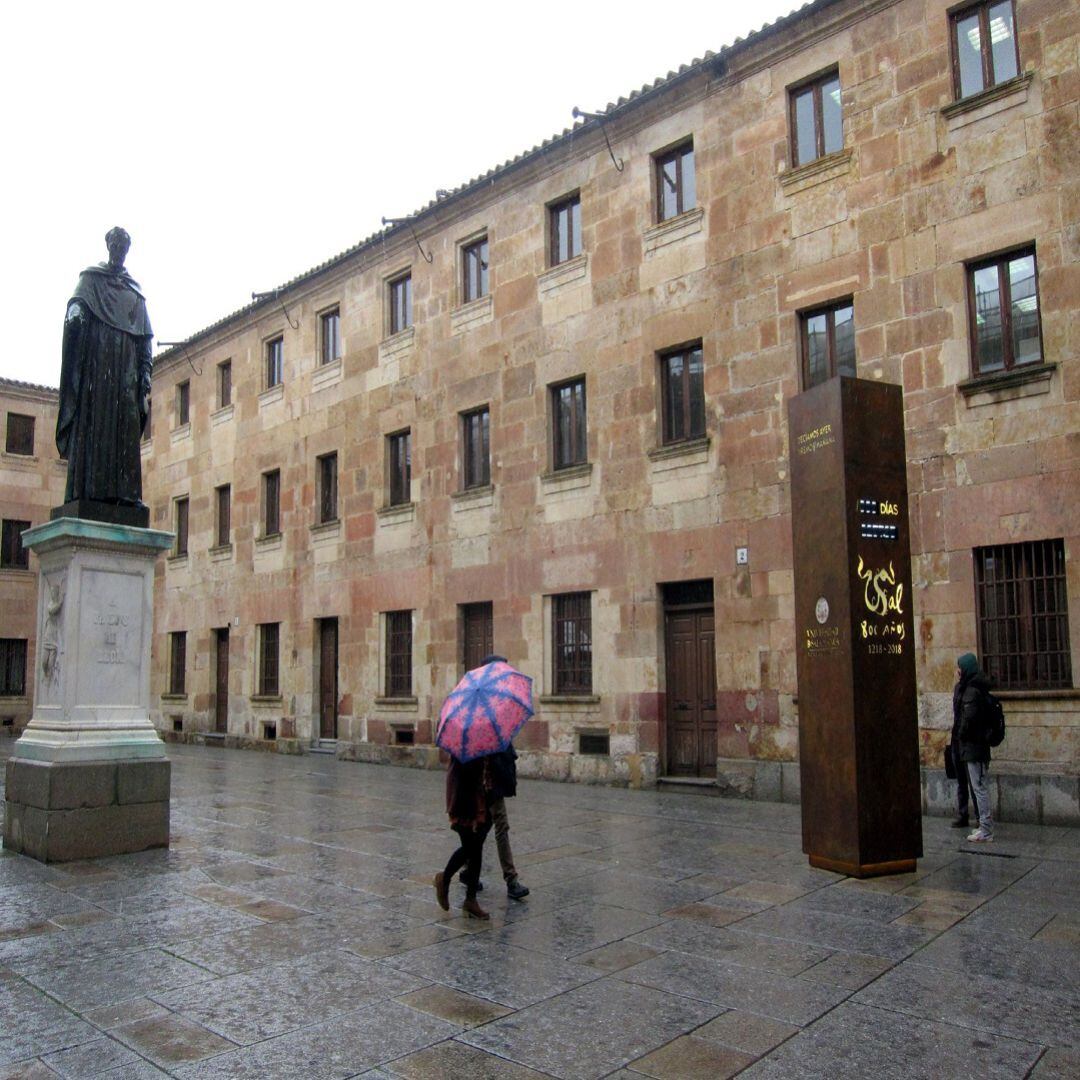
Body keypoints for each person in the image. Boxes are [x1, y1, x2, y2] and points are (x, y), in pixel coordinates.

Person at [57, 227, 153, 513]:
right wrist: (75, 313)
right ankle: (91, 491)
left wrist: (145, 372)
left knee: (125, 427)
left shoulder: (134, 292)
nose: (118, 252)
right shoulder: (91, 280)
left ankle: (125, 494)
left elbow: (145, 339)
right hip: (98, 370)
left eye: (123, 247)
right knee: (96, 425)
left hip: (125, 372)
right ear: (108, 246)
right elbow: (77, 306)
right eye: (115, 246)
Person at [460, 654, 529, 902]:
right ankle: (507, 879)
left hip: (495, 779)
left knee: (496, 826)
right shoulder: (473, 706)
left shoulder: (501, 701)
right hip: (480, 783)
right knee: (483, 829)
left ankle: (480, 872)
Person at [434, 754, 494, 919]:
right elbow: (463, 776)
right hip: (466, 800)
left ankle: (469, 898)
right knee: (472, 847)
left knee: (476, 848)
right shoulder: (464, 747)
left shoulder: (484, 742)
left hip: (481, 799)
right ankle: (446, 880)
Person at [953, 652, 994, 842]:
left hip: (973, 747)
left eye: (960, 668)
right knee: (978, 785)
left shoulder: (971, 691)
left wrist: (960, 735)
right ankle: (984, 825)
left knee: (978, 787)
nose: (957, 671)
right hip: (977, 746)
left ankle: (985, 828)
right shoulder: (976, 688)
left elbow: (967, 720)